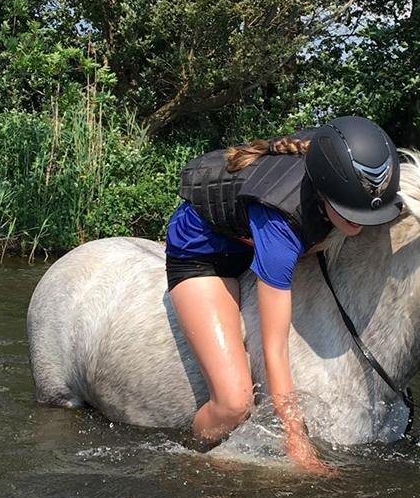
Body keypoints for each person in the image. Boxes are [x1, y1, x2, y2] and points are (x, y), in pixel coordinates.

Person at [165, 116, 403, 473]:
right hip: (205, 255)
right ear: (322, 192)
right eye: (351, 215)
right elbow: (274, 347)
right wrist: (295, 438)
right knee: (234, 404)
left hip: (257, 235)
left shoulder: (346, 168)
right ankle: (190, 462)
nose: (361, 225)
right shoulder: (281, 224)